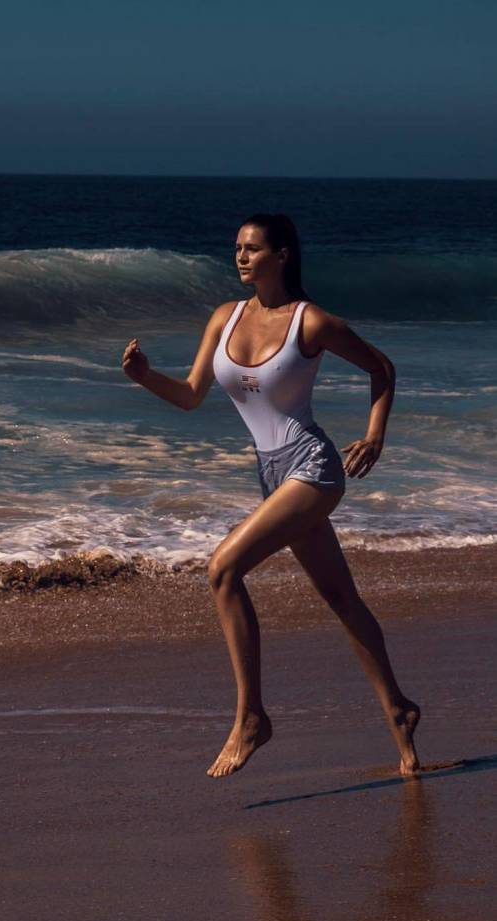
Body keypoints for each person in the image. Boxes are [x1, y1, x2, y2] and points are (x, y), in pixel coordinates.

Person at [121, 212, 421, 779]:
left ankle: (251, 716)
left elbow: (382, 368)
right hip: (271, 473)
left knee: (223, 569)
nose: (240, 257)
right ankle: (399, 710)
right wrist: (144, 376)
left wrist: (375, 436)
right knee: (340, 598)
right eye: (236, 247)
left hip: (312, 467)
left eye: (252, 249)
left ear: (281, 256)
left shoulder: (311, 322)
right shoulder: (224, 318)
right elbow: (189, 396)